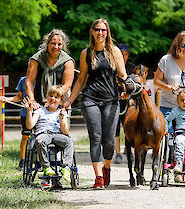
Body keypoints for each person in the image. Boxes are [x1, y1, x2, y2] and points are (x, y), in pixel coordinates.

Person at [64, 18, 127, 189]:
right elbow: (81, 79)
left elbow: (123, 75)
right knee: (96, 137)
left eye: (103, 30)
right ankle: (98, 177)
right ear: (92, 31)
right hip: (90, 98)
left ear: (108, 32)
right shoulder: (86, 53)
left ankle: (106, 168)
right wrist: (69, 101)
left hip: (111, 100)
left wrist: (127, 90)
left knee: (108, 141)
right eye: (97, 29)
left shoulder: (114, 52)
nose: (100, 33)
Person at [20, 28, 75, 169]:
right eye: (53, 43)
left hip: (59, 101)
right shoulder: (36, 59)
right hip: (39, 100)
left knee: (60, 130)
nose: (56, 47)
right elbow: (29, 81)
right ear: (47, 43)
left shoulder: (67, 61)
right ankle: (42, 162)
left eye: (59, 44)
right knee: (40, 131)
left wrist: (54, 99)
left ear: (63, 45)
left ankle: (60, 165)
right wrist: (32, 101)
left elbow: (67, 84)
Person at [24, 85, 74, 184]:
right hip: (43, 134)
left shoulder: (61, 112)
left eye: (56, 97)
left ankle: (66, 167)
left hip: (57, 134)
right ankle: (46, 167)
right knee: (40, 141)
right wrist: (29, 111)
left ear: (60, 101)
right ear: (46, 98)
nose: (53, 99)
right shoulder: (40, 111)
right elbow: (29, 126)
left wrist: (61, 118)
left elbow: (65, 132)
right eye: (51, 96)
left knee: (69, 141)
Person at [154, 31, 185, 125]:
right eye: (183, 45)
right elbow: (156, 81)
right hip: (168, 107)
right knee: (167, 136)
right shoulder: (166, 60)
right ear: (177, 45)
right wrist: (169, 87)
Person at [0, 76, 31, 170]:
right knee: (25, 136)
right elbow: (19, 97)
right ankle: (23, 160)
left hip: (40, 113)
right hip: (25, 113)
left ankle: (39, 161)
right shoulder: (23, 80)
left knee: (40, 138)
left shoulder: (43, 78)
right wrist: (7, 99)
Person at [113, 43, 135, 164]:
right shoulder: (112, 67)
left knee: (128, 127)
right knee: (115, 128)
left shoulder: (131, 67)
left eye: (126, 54)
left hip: (128, 102)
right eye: (122, 54)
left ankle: (128, 150)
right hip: (115, 100)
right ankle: (117, 153)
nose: (124, 57)